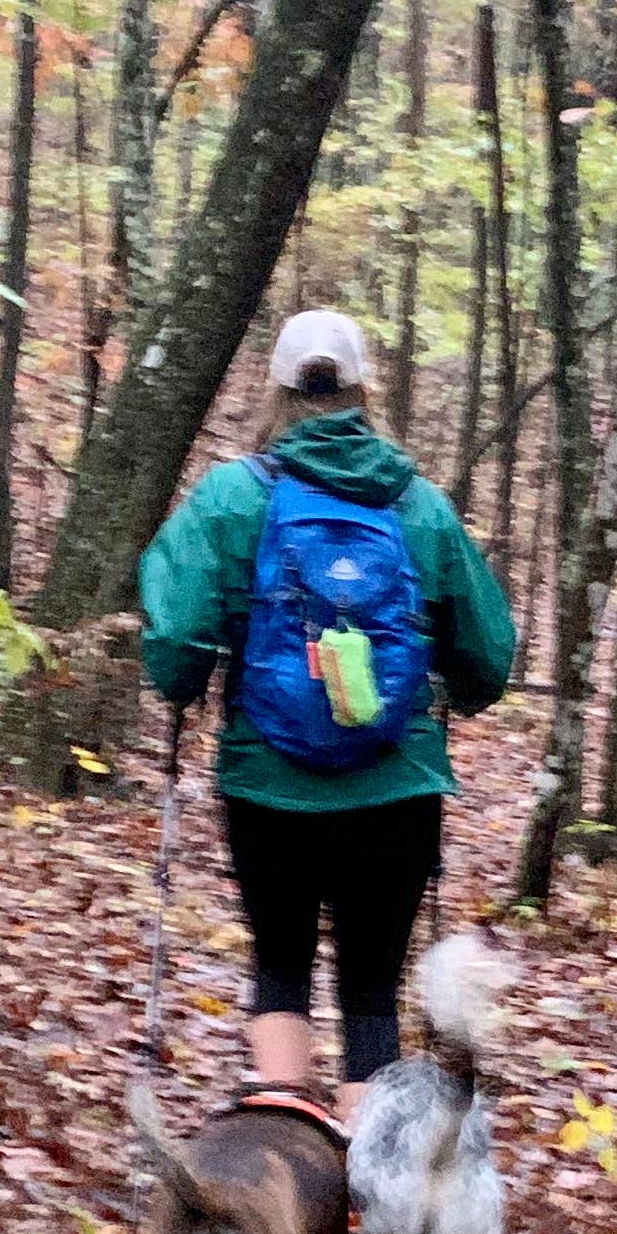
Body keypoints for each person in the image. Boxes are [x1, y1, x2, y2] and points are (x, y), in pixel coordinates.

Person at [137, 307, 516, 1113]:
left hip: (266, 782)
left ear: (275, 389)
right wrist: (460, 690)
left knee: (279, 962)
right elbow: (487, 656)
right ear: (362, 389)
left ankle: (283, 1151)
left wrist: (180, 683)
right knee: (372, 992)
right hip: (397, 787)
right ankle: (361, 1213)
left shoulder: (233, 495)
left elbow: (174, 633)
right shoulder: (420, 506)